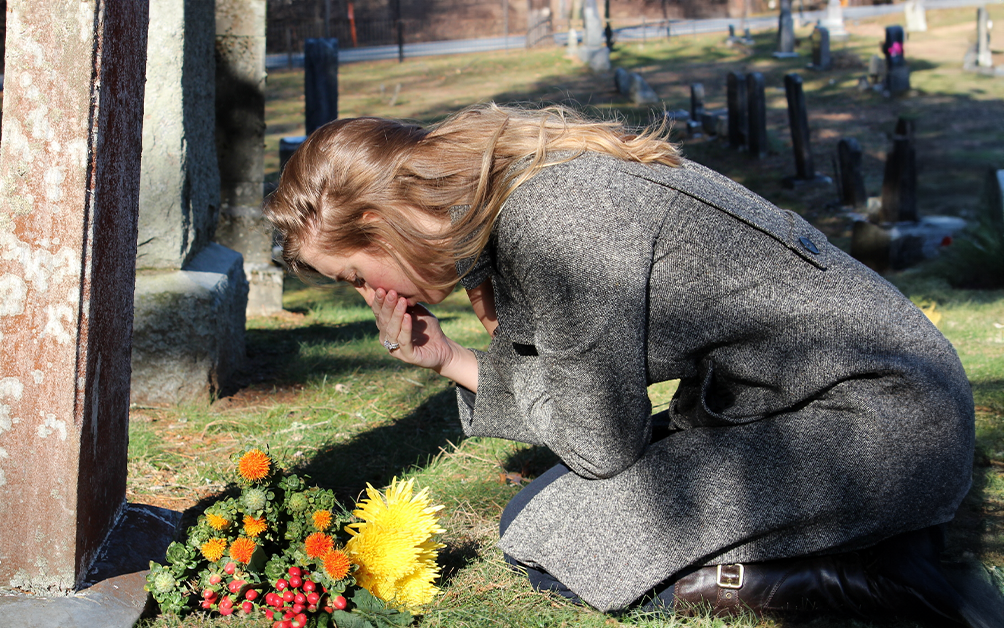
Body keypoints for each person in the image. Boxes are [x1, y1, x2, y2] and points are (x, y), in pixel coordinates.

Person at [262, 103, 983, 624]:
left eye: (358, 275)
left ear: (385, 221)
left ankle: (861, 580)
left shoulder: (559, 224)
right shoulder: (526, 201)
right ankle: (881, 542)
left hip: (876, 427)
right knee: (534, 515)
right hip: (836, 410)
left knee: (547, 542)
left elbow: (601, 447)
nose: (371, 296)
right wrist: (449, 357)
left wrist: (474, 352)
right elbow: (583, 405)